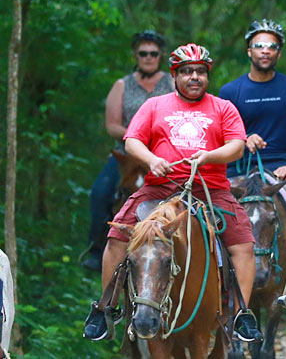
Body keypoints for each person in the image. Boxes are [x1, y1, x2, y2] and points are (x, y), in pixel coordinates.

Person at [83, 43, 261, 342]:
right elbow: (132, 141)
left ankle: (242, 313)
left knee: (243, 244)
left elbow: (237, 146)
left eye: (201, 72)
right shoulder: (154, 105)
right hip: (158, 187)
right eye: (188, 72)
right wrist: (152, 160)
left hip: (210, 190)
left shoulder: (223, 107)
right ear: (174, 75)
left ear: (208, 76)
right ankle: (106, 308)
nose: (195, 77)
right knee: (116, 237)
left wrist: (208, 157)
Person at [83, 30, 175, 272]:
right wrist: (136, 137)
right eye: (143, 53)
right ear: (136, 54)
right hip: (125, 155)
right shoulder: (122, 85)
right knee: (100, 193)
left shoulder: (172, 83)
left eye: (153, 53)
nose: (148, 57)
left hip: (163, 155)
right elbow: (112, 125)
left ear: (160, 55)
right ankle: (96, 248)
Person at [218, 19, 286, 241]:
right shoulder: (230, 90)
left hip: (281, 166)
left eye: (272, 47)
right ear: (249, 51)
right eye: (259, 46)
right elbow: (222, 135)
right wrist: (243, 139)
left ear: (279, 53)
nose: (265, 51)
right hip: (240, 168)